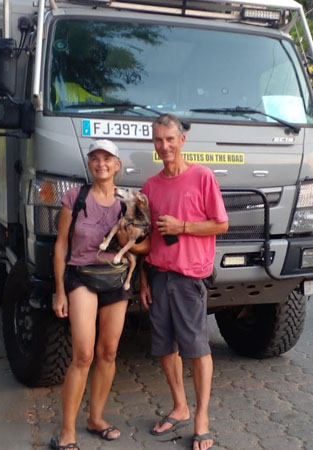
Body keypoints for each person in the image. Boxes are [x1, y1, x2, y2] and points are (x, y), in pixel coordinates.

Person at [50, 139, 148, 450]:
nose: (101, 163)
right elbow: (61, 245)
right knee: (83, 354)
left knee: (108, 352)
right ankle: (67, 430)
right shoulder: (75, 198)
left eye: (107, 158)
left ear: (118, 165)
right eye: (95, 158)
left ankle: (96, 418)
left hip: (116, 280)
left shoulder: (129, 202)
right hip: (82, 277)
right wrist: (60, 292)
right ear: (90, 164)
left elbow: (143, 244)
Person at [139, 114, 229, 450]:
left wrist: (183, 227)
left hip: (190, 277)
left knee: (196, 349)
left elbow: (221, 224)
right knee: (164, 348)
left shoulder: (202, 177)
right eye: (159, 140)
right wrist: (143, 279)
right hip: (158, 275)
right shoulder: (150, 186)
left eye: (170, 139)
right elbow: (147, 237)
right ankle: (180, 406)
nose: (164, 146)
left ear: (182, 141)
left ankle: (202, 417)